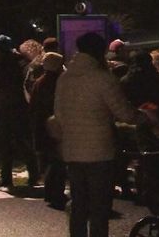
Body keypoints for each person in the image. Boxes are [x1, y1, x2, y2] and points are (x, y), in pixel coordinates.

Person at [54, 31, 144, 237]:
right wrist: (143, 117)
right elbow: (123, 112)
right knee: (99, 205)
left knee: (78, 202)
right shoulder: (102, 77)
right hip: (100, 151)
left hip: (72, 150)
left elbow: (58, 113)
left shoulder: (65, 78)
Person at [0, 34, 38, 191]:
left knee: (5, 141)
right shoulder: (16, 61)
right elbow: (4, 84)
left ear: (0, 49)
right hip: (17, 108)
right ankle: (32, 175)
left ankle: (8, 178)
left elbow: (9, 88)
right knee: (19, 142)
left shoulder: (8, 63)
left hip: (13, 109)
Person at [30, 51, 67, 209]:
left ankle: (50, 191)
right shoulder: (58, 82)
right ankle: (56, 193)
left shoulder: (39, 82)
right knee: (58, 161)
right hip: (54, 125)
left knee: (51, 160)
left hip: (41, 125)